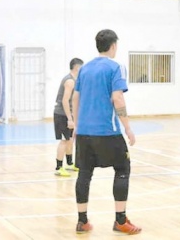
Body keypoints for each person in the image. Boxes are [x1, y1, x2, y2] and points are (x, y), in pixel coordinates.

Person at [72, 29, 141, 235]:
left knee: (84, 173)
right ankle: (120, 220)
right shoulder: (116, 67)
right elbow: (118, 98)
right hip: (107, 131)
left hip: (84, 132)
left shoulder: (84, 69)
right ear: (113, 46)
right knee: (122, 168)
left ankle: (82, 221)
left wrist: (76, 124)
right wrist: (127, 127)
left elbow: (75, 97)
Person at [53, 58, 83, 177]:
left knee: (70, 139)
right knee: (64, 140)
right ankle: (59, 167)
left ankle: (70, 163)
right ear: (77, 68)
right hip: (62, 114)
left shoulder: (75, 80)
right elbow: (65, 100)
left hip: (68, 114)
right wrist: (70, 119)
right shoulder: (69, 81)